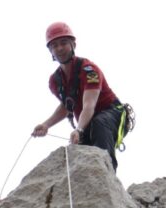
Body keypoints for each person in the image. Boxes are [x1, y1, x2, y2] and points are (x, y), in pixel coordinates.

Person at [31, 22, 129, 171]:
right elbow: (67, 106)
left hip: (112, 112)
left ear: (73, 44)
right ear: (50, 51)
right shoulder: (55, 81)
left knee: (99, 124)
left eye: (63, 43)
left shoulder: (89, 70)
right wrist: (46, 125)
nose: (59, 48)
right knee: (82, 152)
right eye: (54, 45)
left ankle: (107, 174)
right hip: (87, 122)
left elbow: (89, 104)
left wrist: (79, 130)